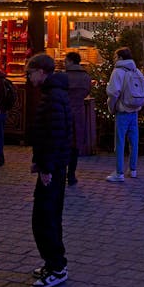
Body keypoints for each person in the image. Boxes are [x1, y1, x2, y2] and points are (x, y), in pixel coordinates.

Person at [27, 53, 72, 287]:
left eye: (30, 72)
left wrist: (46, 166)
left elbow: (53, 134)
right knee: (48, 215)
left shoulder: (52, 97)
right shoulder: (54, 94)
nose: (28, 77)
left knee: (45, 217)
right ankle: (53, 262)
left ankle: (56, 266)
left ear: (41, 72)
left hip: (52, 167)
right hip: (53, 164)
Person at [106, 47, 144, 182]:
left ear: (120, 58)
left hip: (122, 111)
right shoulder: (136, 71)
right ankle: (133, 170)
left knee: (120, 142)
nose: (114, 59)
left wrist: (112, 107)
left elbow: (113, 92)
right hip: (135, 110)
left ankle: (119, 172)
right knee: (134, 142)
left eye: (115, 56)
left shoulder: (118, 71)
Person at [64, 51, 91, 186]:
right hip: (79, 112)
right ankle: (72, 174)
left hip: (64, 111)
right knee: (75, 144)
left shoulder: (64, 76)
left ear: (69, 61)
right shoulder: (86, 76)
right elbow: (87, 91)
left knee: (63, 142)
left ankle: (62, 173)